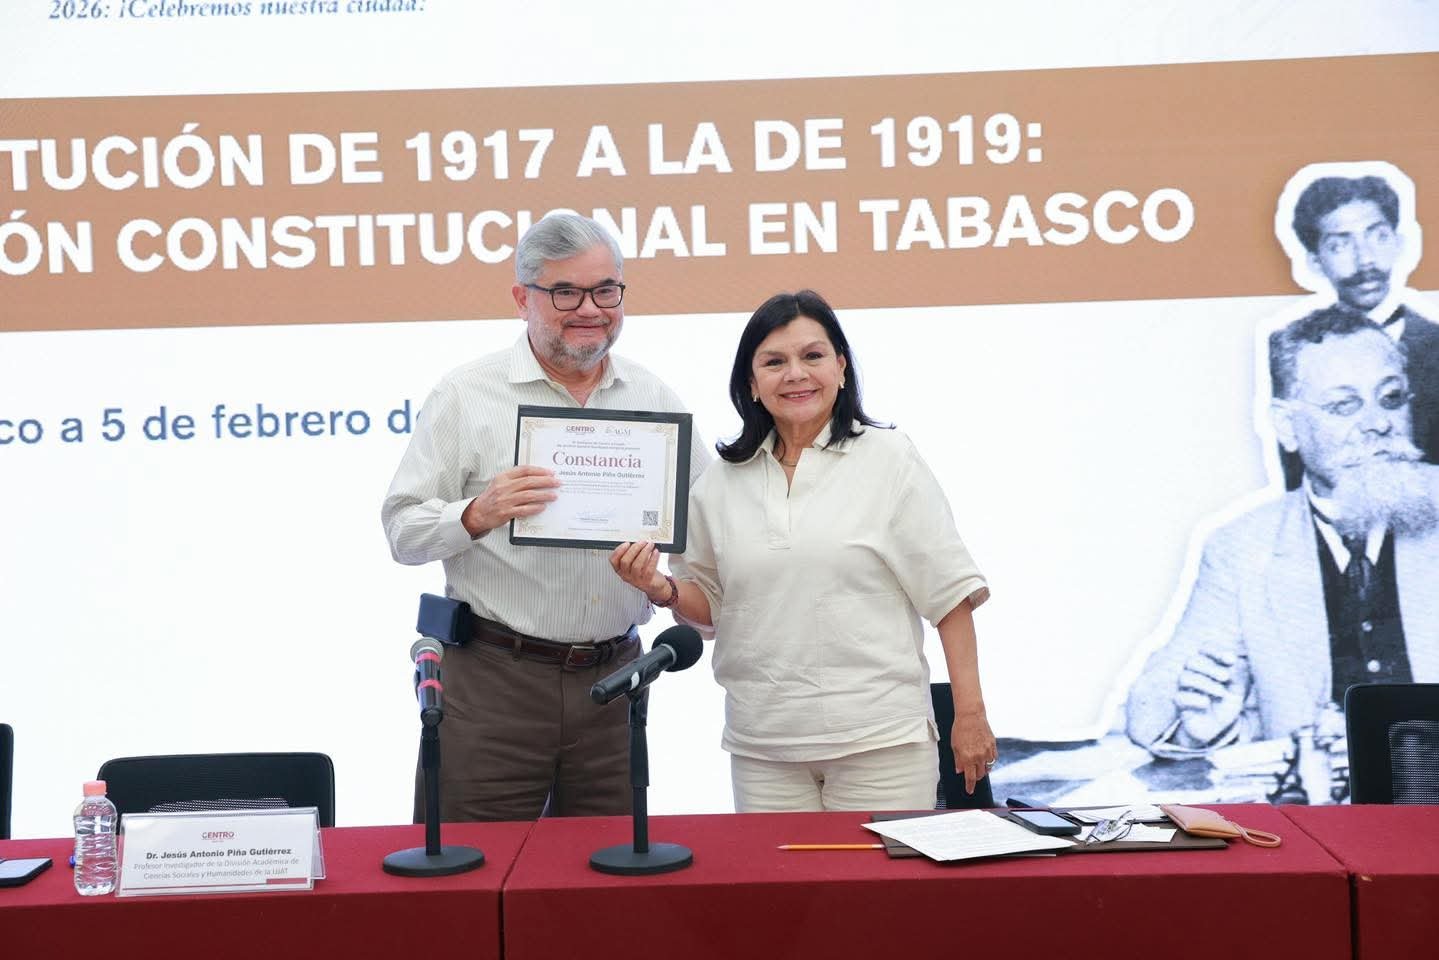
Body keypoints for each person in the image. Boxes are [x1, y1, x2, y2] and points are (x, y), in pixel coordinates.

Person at [610, 290, 995, 812]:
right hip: (763, 749)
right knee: (776, 874)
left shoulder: (890, 459)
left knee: (876, 873)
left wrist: (970, 714)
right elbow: (712, 606)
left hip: (881, 744)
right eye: (774, 362)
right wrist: (662, 588)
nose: (795, 374)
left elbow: (949, 596)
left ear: (841, 368)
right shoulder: (720, 482)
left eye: (812, 356)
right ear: (751, 382)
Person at [381, 213, 709, 822]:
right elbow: (403, 531)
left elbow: (708, 533)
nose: (590, 309)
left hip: (616, 682)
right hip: (494, 682)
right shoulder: (466, 394)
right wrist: (476, 513)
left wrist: (662, 586)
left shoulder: (653, 398)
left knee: (608, 872)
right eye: (565, 292)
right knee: (471, 868)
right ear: (521, 298)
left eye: (605, 290)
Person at [1127, 306, 1439, 765]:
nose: (1377, 423)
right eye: (1344, 405)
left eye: (1390, 398)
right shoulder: (1242, 548)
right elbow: (1153, 711)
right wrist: (1202, 727)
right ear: (1287, 427)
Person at [1279, 171, 1439, 487]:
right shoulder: (1293, 350)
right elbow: (1299, 477)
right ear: (1315, 262)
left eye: (1378, 237)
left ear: (1399, 243)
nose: (1365, 259)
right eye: (1340, 245)